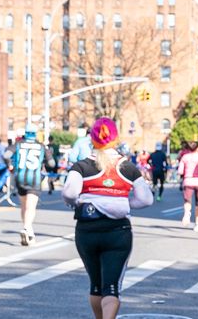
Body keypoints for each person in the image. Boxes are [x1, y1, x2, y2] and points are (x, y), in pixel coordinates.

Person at [62, 117, 154, 319]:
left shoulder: (82, 167)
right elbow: (146, 199)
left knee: (95, 286)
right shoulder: (127, 167)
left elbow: (69, 192)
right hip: (117, 233)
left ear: (92, 140)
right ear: (115, 138)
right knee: (111, 288)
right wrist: (123, 204)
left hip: (87, 232)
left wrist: (77, 202)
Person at [9, 127, 53, 245]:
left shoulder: (18, 144)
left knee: (24, 206)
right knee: (31, 207)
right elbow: (52, 163)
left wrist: (10, 166)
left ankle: (29, 232)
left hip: (20, 178)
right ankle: (27, 228)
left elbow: (6, 154)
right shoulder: (41, 146)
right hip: (35, 178)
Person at [176, 141, 198, 231]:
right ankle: (197, 224)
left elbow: (180, 171)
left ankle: (187, 214)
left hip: (188, 180)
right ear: (197, 148)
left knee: (187, 200)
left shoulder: (185, 157)